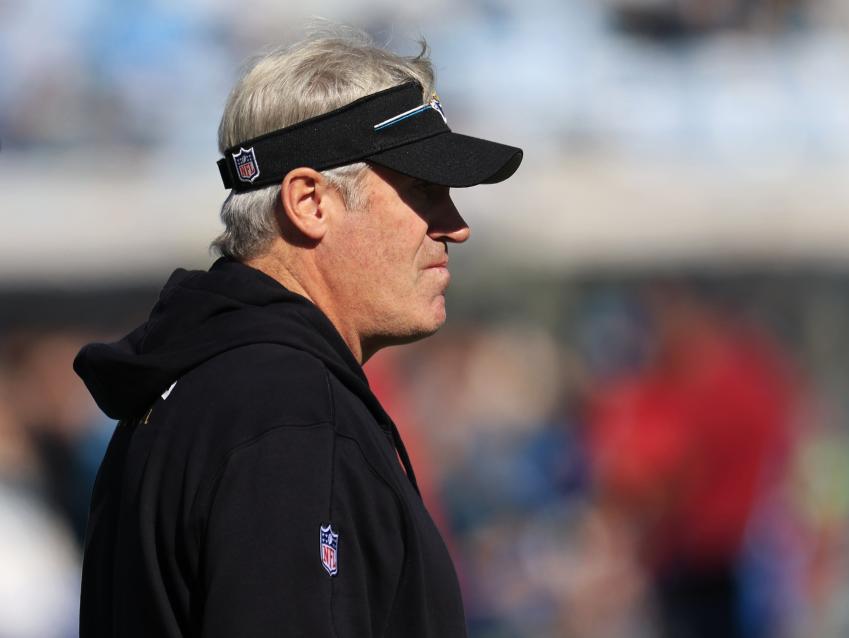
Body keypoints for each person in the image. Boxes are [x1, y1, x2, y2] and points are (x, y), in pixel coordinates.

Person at [73, 27, 522, 638]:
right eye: (422, 190)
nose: (455, 226)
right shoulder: (288, 409)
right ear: (310, 202)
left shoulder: (200, 384)